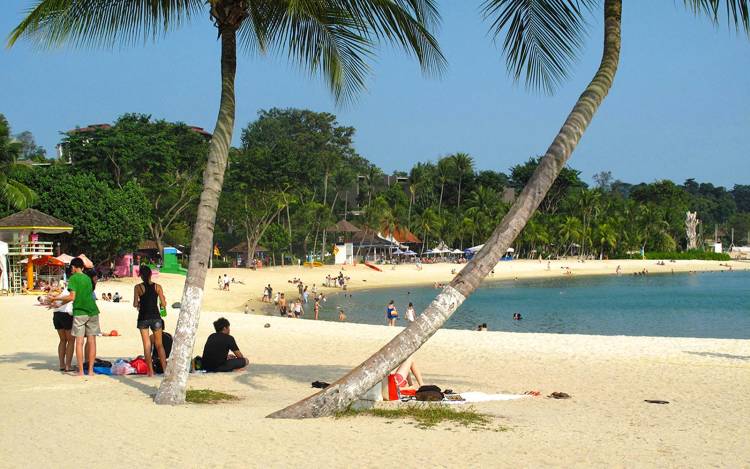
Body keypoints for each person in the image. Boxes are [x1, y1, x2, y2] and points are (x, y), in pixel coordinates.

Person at [50, 257, 100, 376]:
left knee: (79, 342)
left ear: (73, 267)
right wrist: (59, 303)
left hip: (80, 312)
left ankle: (81, 371)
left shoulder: (73, 278)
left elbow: (72, 297)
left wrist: (56, 298)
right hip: (93, 311)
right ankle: (91, 371)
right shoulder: (88, 279)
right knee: (92, 341)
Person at [133, 265, 168, 376]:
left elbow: (135, 304)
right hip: (156, 317)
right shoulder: (158, 287)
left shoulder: (138, 287)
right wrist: (162, 303)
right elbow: (163, 303)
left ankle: (150, 372)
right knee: (159, 345)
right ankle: (165, 370)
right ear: (150, 275)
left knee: (147, 345)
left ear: (141, 276)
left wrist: (139, 304)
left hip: (143, 318)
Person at [48, 270, 74, 371]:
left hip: (57, 314)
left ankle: (62, 364)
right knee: (71, 340)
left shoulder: (63, 291)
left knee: (62, 340)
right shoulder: (71, 290)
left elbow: (59, 299)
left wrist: (55, 301)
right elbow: (69, 298)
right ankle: (68, 365)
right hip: (66, 314)